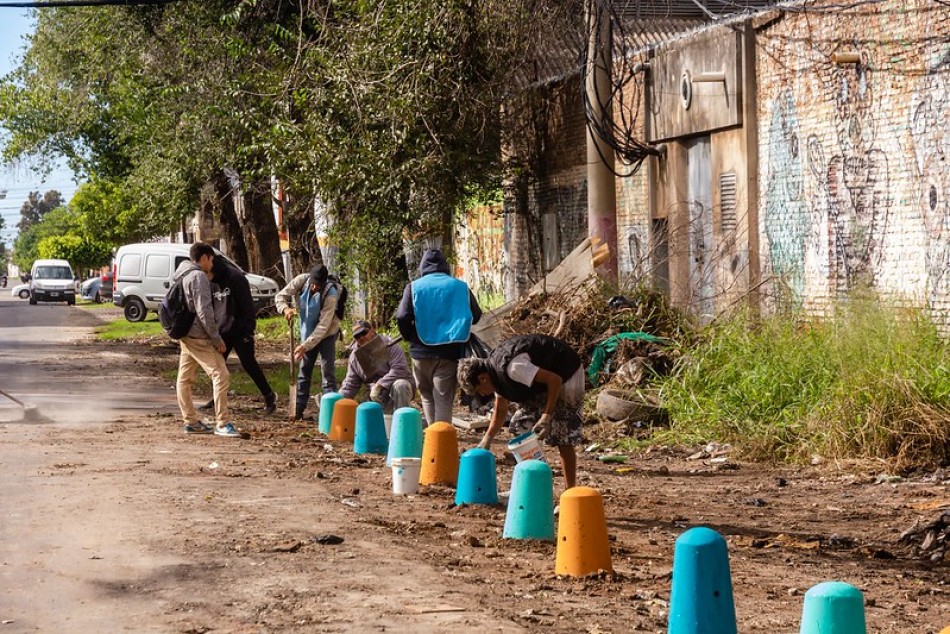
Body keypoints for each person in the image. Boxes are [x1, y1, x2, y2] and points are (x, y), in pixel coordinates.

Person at [457, 334, 586, 489]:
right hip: (542, 383)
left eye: (479, 391)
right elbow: (500, 410)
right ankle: (537, 479)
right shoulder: (494, 375)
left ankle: (569, 491)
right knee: (520, 425)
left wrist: (546, 416)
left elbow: (554, 380)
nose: (482, 395)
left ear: (482, 379)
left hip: (567, 373)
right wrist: (487, 440)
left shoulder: (513, 368)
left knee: (562, 435)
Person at [396, 248, 482, 426]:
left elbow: (402, 316)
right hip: (449, 352)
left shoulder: (413, 287)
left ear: (422, 267)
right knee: (443, 398)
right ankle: (442, 438)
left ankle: (432, 438)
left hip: (420, 352)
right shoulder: (460, 287)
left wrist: (409, 336)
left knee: (427, 396)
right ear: (445, 267)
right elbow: (476, 315)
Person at [174, 242, 242, 438]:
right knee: (221, 375)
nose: (212, 264)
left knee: (184, 379)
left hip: (185, 334)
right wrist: (216, 338)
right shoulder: (198, 277)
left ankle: (190, 422)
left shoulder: (181, 273)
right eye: (211, 259)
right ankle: (223, 422)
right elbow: (204, 311)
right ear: (204, 258)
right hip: (199, 336)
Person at [197, 256, 277, 415]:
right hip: (222, 331)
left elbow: (247, 306)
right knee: (218, 367)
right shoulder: (209, 281)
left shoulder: (236, 278)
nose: (207, 277)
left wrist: (248, 329)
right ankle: (217, 398)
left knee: (249, 364)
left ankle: (269, 396)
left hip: (240, 330)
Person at [274, 264, 342, 419]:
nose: (314, 287)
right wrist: (285, 309)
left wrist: (305, 346)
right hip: (307, 332)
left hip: (327, 335)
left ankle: (331, 414)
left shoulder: (331, 295)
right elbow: (280, 296)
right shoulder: (301, 281)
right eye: (313, 283)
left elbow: (323, 326)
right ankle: (297, 410)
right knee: (304, 371)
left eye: (318, 285)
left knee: (327, 372)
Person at [339, 320, 415, 413]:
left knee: (400, 385)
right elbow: (350, 384)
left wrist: (380, 385)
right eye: (357, 336)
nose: (361, 337)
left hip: (396, 388)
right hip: (374, 396)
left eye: (364, 333)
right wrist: (337, 400)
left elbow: (400, 369)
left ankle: (402, 418)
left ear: (372, 331)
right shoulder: (355, 358)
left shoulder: (389, 345)